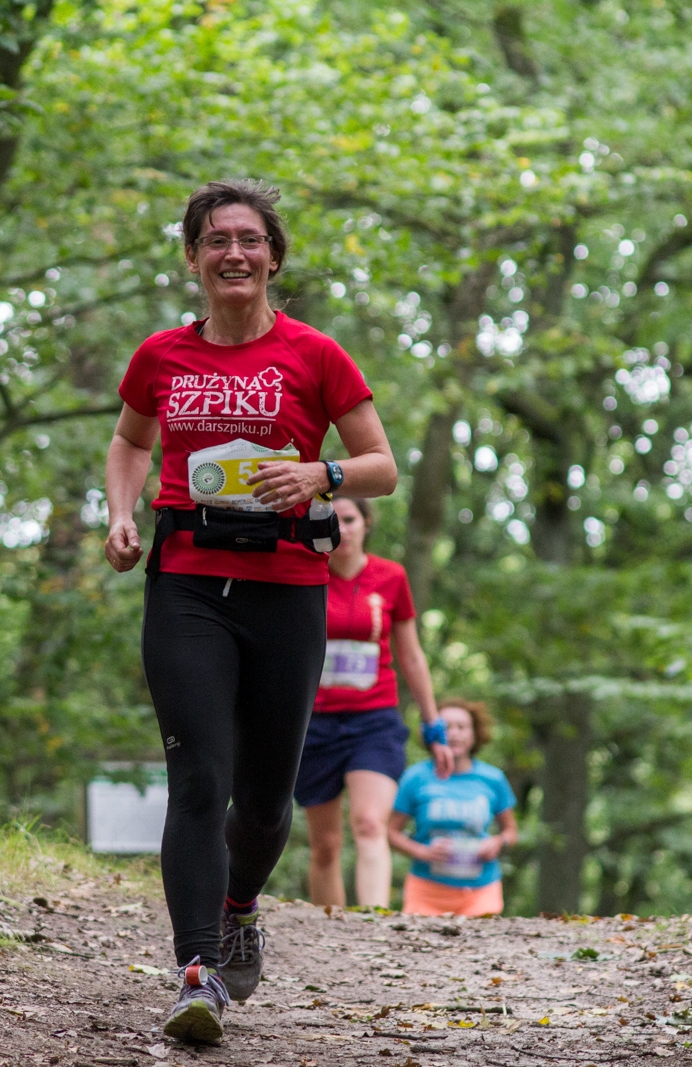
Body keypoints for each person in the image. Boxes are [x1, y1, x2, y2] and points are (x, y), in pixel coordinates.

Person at [103, 179, 398, 1045]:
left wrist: (321, 474)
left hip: (287, 588)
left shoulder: (315, 354)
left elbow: (380, 462)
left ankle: (239, 907)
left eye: (250, 239)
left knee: (267, 803)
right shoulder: (161, 355)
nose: (234, 253)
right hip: (187, 579)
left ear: (273, 256)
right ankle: (198, 971)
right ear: (193, 257)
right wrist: (120, 515)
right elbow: (129, 440)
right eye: (215, 239)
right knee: (199, 777)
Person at [297, 496, 452, 909]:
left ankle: (373, 927)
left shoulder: (391, 577)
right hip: (313, 723)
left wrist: (433, 727)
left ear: (366, 524)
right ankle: (332, 932)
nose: (342, 529)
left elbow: (412, 657)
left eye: (349, 519)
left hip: (374, 720)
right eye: (332, 520)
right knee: (326, 845)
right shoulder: (303, 573)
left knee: (369, 824)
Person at [388, 699, 519, 917]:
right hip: (426, 891)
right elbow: (391, 832)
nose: (454, 734)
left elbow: (511, 832)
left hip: (481, 890)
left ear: (474, 733)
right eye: (446, 727)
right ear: (433, 733)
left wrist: (497, 842)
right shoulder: (416, 777)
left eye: (462, 727)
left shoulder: (493, 779)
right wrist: (422, 852)